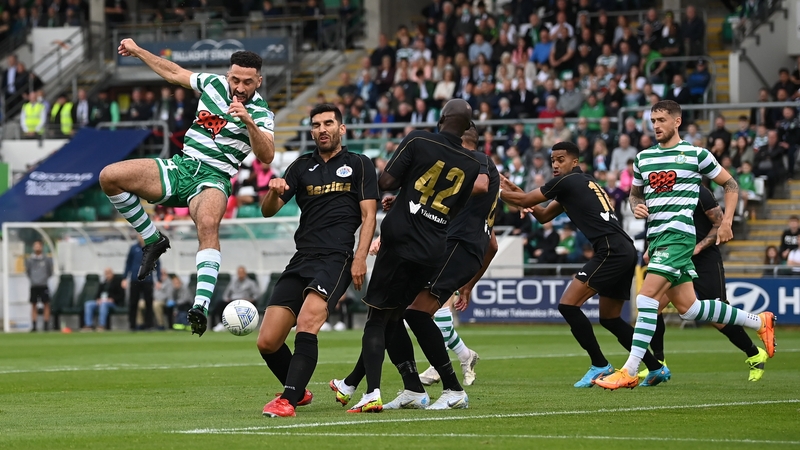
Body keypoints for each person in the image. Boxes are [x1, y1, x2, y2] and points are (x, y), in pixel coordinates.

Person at [595, 100, 776, 390]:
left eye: (661, 120)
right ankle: (759, 321)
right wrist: (637, 206)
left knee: (646, 299)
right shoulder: (643, 158)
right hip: (657, 238)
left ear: (677, 122)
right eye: (653, 120)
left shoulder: (695, 155)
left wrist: (727, 221)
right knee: (689, 309)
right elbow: (634, 195)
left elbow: (730, 185)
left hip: (678, 236)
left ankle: (630, 370)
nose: (656, 125)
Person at [100, 39, 275, 336]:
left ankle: (200, 306)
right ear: (228, 75)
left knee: (207, 225)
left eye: (247, 82)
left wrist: (249, 123)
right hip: (181, 166)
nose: (239, 87)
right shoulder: (213, 84)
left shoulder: (261, 113)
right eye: (235, 79)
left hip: (213, 178)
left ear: (258, 80)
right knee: (109, 176)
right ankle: (152, 239)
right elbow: (173, 72)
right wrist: (139, 51)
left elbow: (267, 155)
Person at [331, 124, 496, 409]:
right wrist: (417, 200)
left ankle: (453, 389)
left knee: (414, 315)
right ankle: (411, 388)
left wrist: (429, 197)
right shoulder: (472, 169)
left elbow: (478, 187)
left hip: (457, 245)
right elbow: (489, 239)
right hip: (450, 244)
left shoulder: (474, 160)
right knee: (394, 315)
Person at [500, 142, 666, 387]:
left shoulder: (567, 183)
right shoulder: (581, 183)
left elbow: (525, 199)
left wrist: (493, 189)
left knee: (568, 305)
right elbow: (544, 215)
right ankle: (654, 367)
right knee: (610, 319)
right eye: (552, 160)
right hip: (623, 249)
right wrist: (519, 195)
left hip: (611, 250)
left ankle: (599, 364)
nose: (555, 165)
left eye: (560, 159)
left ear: (574, 162)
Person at [258, 103, 379, 418]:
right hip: (302, 258)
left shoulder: (360, 164)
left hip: (336, 258)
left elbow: (369, 217)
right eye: (316, 125)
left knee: (308, 322)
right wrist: (273, 191)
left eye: (328, 123)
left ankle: (288, 399)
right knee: (268, 341)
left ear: (341, 128)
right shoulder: (300, 167)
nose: (322, 129)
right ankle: (299, 388)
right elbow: (268, 210)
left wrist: (360, 258)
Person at [642, 185, 769, 382]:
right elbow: (662, 225)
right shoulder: (664, 193)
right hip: (675, 256)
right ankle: (659, 365)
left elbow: (719, 223)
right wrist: (652, 247)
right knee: (653, 305)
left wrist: (699, 247)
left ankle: (754, 354)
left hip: (704, 259)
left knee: (718, 316)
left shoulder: (700, 193)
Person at [123, 236, 162, 331]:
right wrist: (124, 278)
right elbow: (128, 263)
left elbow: (158, 264)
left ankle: (149, 324)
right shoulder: (133, 248)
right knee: (133, 303)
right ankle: (132, 325)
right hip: (135, 279)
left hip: (148, 279)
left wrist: (159, 279)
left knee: (149, 303)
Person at [212, 266, 259, 332]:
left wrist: (250, 300)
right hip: (233, 301)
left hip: (245, 302)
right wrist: (227, 299)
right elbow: (226, 294)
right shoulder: (233, 282)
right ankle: (221, 324)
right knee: (220, 304)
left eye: (242, 273)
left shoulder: (251, 283)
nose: (240, 274)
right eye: (239, 273)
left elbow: (256, 295)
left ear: (245, 273)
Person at [25, 240, 53, 332]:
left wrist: (44, 279)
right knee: (33, 305)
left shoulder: (47, 259)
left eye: (38, 246)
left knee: (46, 304)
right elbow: (28, 271)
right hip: (34, 285)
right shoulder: (30, 260)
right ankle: (34, 325)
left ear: (41, 247)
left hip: (43, 285)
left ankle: (46, 325)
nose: (37, 248)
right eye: (35, 246)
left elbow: (50, 272)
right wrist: (33, 279)